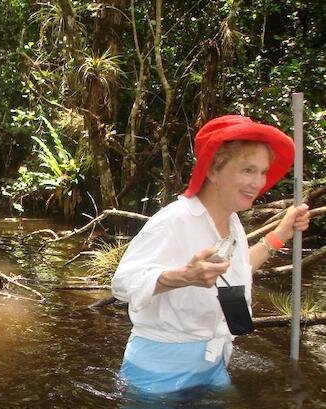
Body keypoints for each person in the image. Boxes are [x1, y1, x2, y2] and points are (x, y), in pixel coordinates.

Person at [111, 114, 310, 394]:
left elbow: (234, 273)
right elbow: (122, 283)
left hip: (213, 366)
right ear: (213, 171)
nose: (258, 182)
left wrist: (279, 235)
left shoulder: (232, 222)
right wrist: (181, 277)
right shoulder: (175, 219)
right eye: (248, 170)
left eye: (263, 172)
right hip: (159, 376)